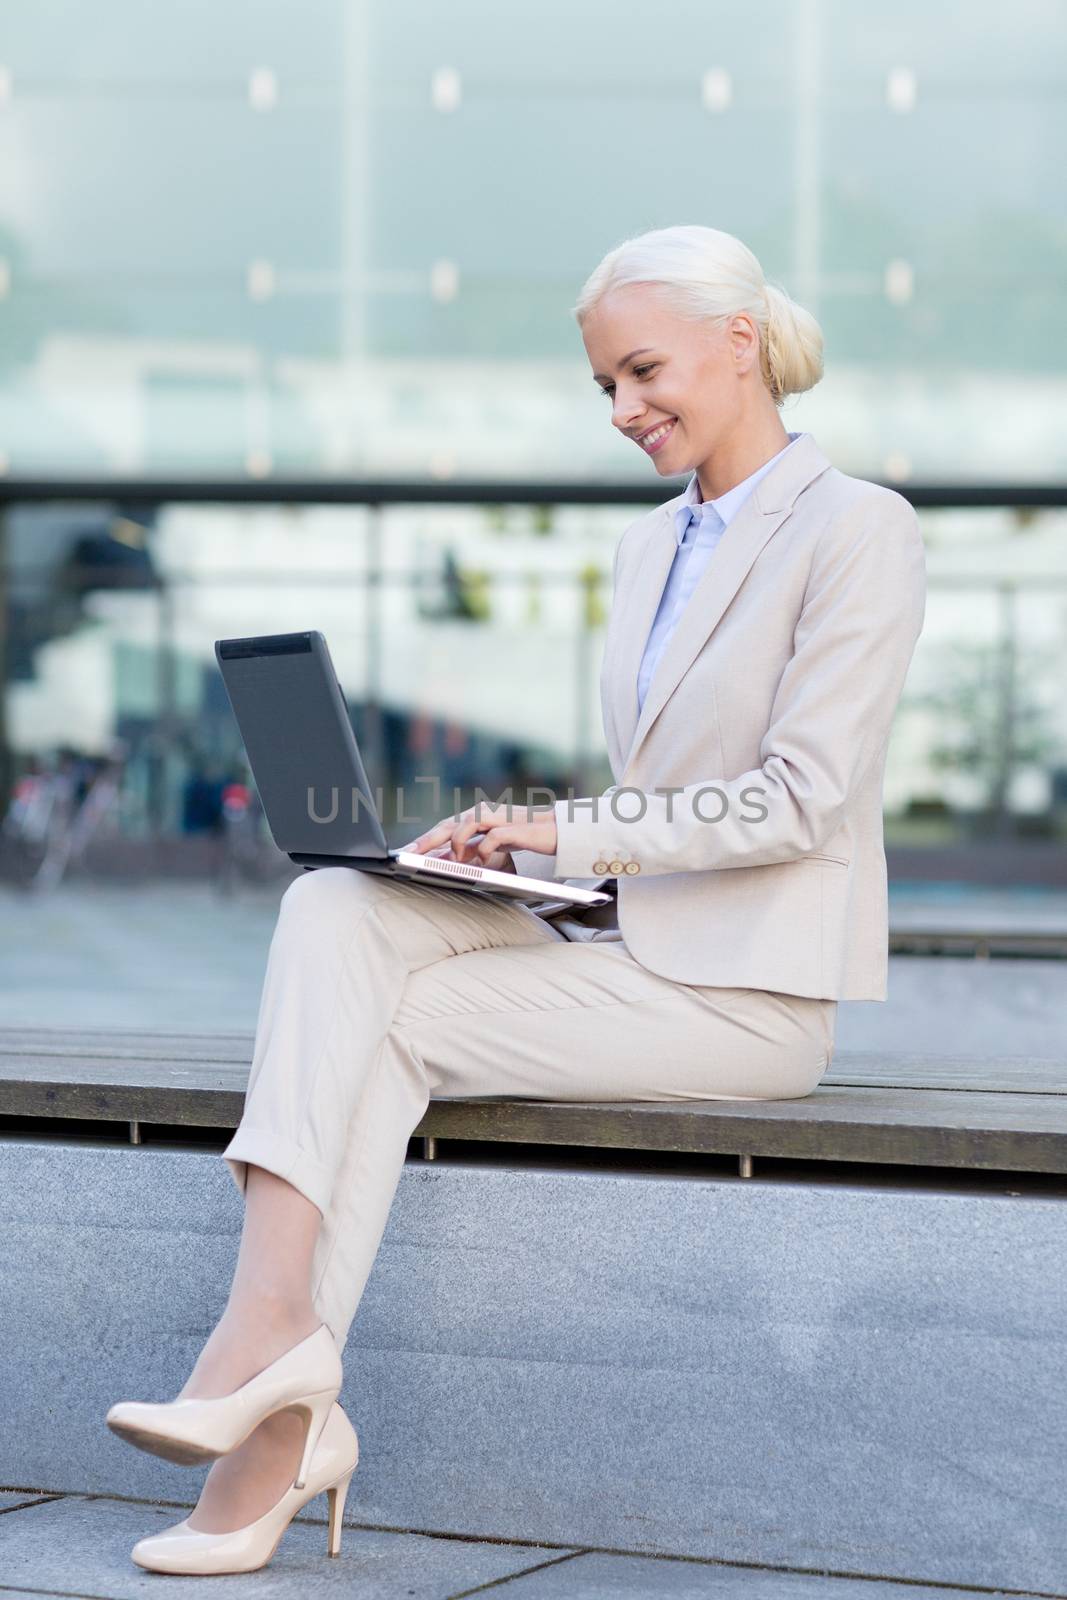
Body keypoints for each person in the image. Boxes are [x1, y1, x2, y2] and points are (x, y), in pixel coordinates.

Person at [106, 224, 926, 1574]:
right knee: (339, 908)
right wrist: (522, 853)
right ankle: (275, 1356)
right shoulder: (646, 550)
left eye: (643, 371)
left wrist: (566, 831)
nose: (624, 409)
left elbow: (802, 800)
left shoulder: (857, 530)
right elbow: (662, 790)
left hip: (747, 999)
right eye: (604, 385)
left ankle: (269, 1404)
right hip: (628, 944)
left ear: (740, 341)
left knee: (399, 1022)